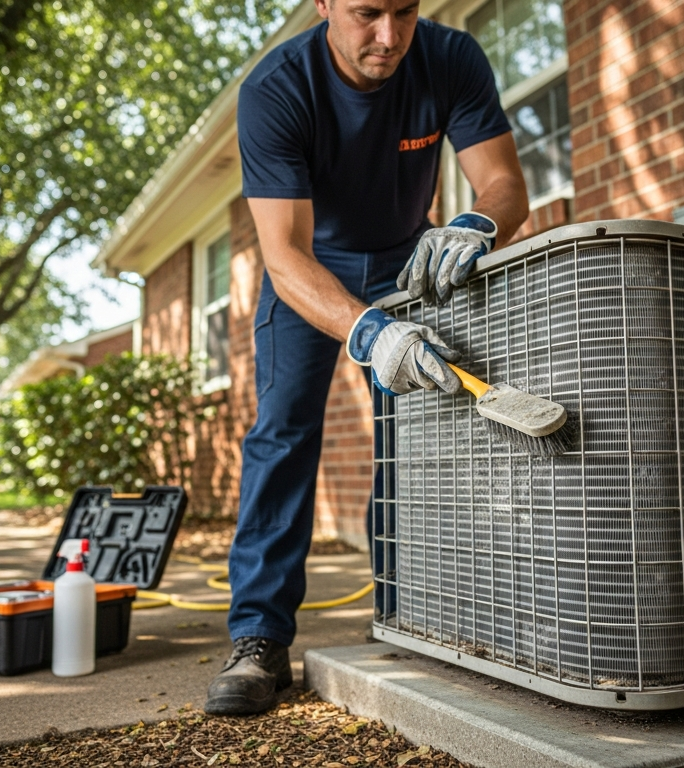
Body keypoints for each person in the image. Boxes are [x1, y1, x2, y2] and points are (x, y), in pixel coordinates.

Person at [204, 0, 528, 715]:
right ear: (323, 5)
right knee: (282, 432)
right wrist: (372, 331)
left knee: (415, 441)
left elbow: (505, 182)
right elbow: (283, 254)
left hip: (411, 260)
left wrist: (480, 220)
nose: (389, 36)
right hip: (310, 268)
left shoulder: (450, 58)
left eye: (405, 11)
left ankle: (415, 615)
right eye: (367, 13)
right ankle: (259, 637)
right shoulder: (276, 89)